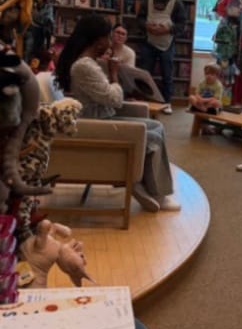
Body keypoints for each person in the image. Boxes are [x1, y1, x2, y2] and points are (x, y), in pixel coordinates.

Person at [55, 11, 176, 209]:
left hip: (102, 118)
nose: (110, 43)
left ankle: (151, 186)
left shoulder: (89, 63)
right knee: (152, 135)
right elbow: (115, 99)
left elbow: (107, 97)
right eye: (107, 37)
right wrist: (114, 74)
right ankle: (150, 189)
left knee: (157, 127)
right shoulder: (84, 66)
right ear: (97, 40)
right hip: (97, 125)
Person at [139, 0, 179, 100]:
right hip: (149, 43)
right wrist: (146, 26)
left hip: (167, 44)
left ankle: (167, 102)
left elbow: (182, 25)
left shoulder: (177, 2)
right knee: (144, 74)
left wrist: (168, 29)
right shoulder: (147, 1)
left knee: (167, 76)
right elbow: (139, 18)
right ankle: (144, 100)